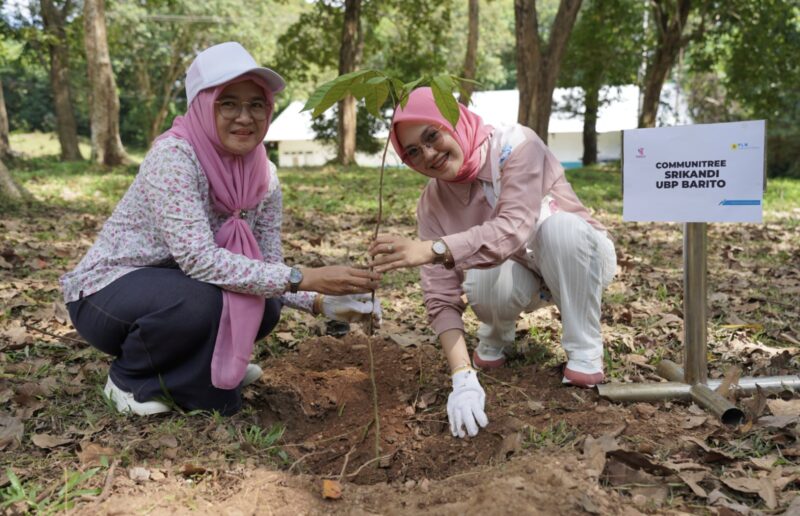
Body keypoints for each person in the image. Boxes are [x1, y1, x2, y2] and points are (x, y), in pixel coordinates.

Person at [61, 42, 381, 417]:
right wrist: (307, 278)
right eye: (228, 103)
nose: (244, 117)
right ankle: (130, 379)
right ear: (201, 105)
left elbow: (266, 264)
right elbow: (199, 260)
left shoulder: (264, 173)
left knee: (266, 303)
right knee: (201, 302)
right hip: (108, 292)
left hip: (176, 286)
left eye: (256, 104)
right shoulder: (175, 157)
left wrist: (321, 302)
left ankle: (200, 371)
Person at [368, 87, 616, 438]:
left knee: (559, 230)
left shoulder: (517, 145)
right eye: (413, 151)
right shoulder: (432, 203)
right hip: (522, 273)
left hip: (580, 258)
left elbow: (512, 229)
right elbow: (440, 295)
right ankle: (496, 334)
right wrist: (462, 377)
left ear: (453, 120)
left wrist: (432, 249)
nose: (428, 154)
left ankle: (584, 348)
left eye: (432, 136)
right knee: (481, 275)